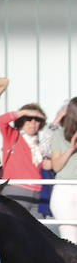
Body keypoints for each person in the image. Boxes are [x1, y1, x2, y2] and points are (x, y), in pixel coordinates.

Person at [0, 103, 52, 214]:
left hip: (39, 194)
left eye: (37, 119)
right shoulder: (12, 136)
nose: (33, 122)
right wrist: (23, 112)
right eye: (28, 118)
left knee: (37, 230)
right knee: (14, 228)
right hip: (16, 190)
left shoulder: (41, 144)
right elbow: (1, 120)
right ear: (21, 120)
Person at [47, 97, 77, 242]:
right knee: (70, 236)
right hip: (65, 190)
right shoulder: (59, 134)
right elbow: (57, 166)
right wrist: (71, 148)